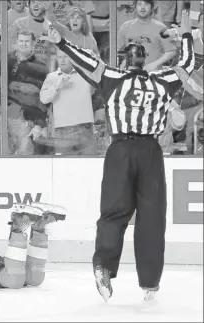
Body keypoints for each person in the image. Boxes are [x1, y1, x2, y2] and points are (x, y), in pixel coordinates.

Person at [40, 11, 195, 302]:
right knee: (151, 218)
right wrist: (185, 36)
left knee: (113, 213)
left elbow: (86, 62)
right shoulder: (163, 79)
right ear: (145, 59)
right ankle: (149, 284)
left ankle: (104, 266)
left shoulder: (112, 76)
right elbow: (188, 64)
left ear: (124, 60)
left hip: (119, 150)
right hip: (150, 151)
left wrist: (61, 42)